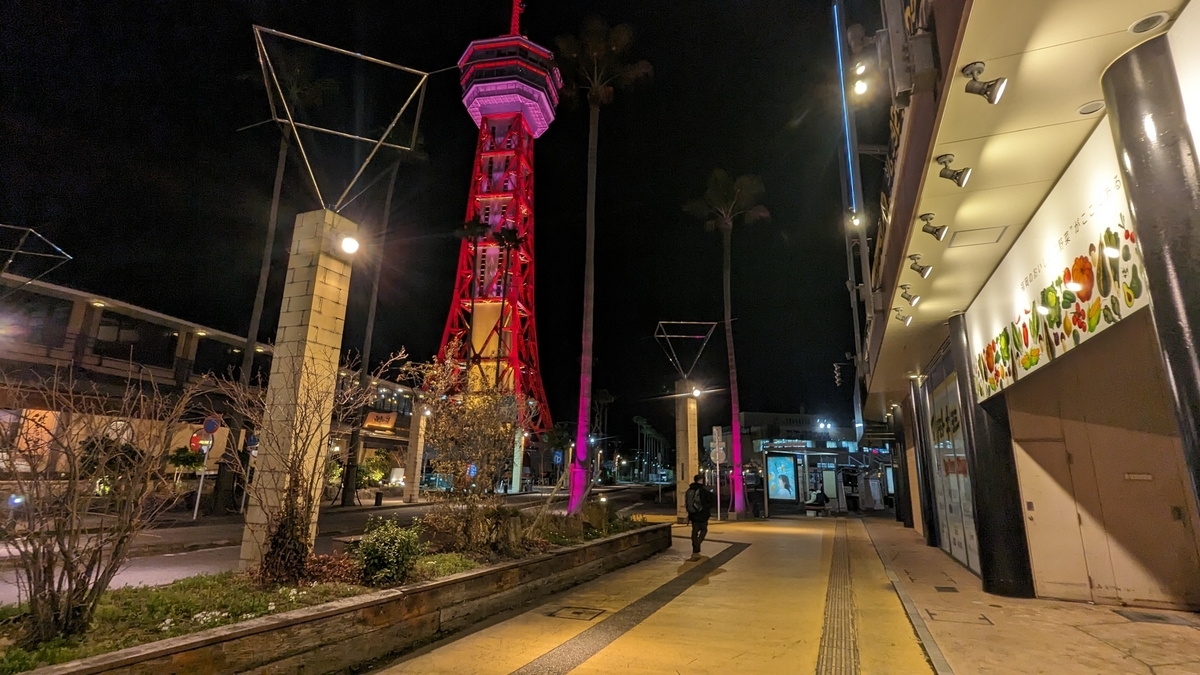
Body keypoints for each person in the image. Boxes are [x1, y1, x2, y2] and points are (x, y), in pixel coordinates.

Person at [684, 474, 715, 559]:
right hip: (702, 514)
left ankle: (695, 549)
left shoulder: (689, 490)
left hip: (692, 514)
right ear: (701, 480)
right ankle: (697, 545)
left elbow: (687, 502)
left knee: (695, 531)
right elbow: (710, 501)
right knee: (704, 530)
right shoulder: (703, 490)